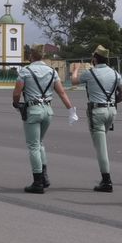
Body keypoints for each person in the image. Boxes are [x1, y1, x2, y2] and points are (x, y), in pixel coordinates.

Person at [13, 46, 72, 194]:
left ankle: (37, 181)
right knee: (40, 143)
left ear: (31, 57)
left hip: (33, 110)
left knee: (33, 146)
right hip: (48, 110)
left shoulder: (25, 71)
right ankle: (44, 176)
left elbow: (17, 92)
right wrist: (70, 109)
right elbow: (62, 92)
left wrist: (16, 103)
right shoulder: (52, 72)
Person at [70, 46, 122, 192]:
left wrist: (75, 69)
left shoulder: (91, 73)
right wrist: (112, 103)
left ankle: (106, 180)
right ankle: (105, 178)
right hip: (111, 112)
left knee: (101, 148)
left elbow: (74, 81)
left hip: (97, 112)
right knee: (101, 141)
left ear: (95, 59)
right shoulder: (115, 73)